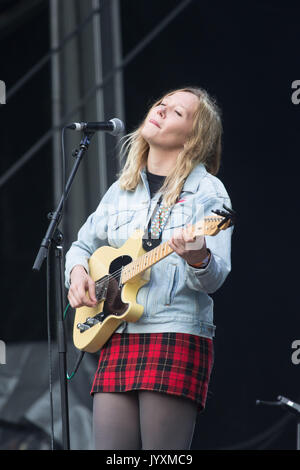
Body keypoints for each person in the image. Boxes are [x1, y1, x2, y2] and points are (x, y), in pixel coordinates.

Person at [65, 86, 233, 450]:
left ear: (193, 137)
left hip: (173, 332)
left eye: (176, 112)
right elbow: (81, 246)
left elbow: (215, 276)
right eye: (161, 103)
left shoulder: (208, 191)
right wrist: (78, 273)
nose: (160, 109)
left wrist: (197, 257)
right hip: (118, 331)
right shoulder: (121, 190)